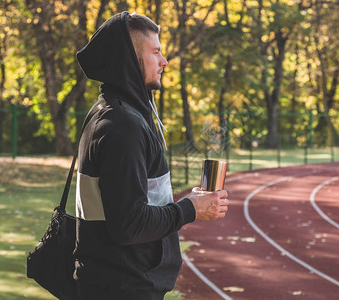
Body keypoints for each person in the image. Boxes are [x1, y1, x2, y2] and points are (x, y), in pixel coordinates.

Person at [74, 11, 229, 299]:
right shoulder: (123, 127)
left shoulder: (109, 113)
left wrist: (193, 202)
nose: (164, 61)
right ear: (130, 60)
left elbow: (135, 204)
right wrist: (190, 209)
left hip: (113, 281)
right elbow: (129, 225)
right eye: (156, 52)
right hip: (123, 287)